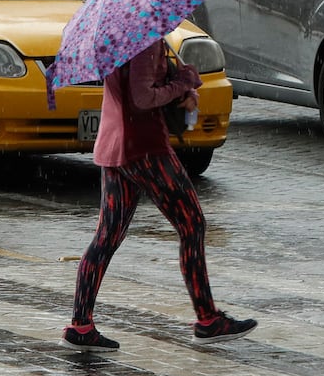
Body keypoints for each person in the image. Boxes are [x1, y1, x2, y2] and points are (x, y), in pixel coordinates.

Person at [63, 38, 257, 352]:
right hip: (145, 150)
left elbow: (143, 87)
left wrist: (181, 88)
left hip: (116, 149)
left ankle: (80, 324)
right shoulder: (142, 42)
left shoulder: (120, 40)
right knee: (192, 225)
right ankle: (208, 319)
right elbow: (142, 98)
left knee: (106, 237)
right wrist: (181, 83)